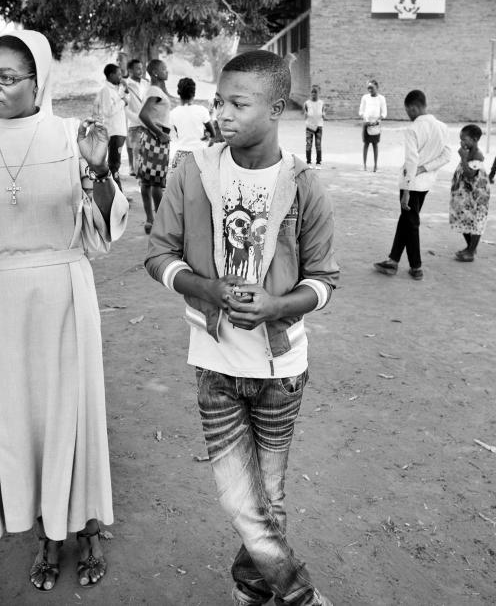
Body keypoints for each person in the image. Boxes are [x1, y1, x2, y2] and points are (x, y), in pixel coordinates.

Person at [0, 31, 128, 592]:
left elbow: (105, 231)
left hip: (63, 288)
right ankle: (46, 535)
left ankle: (84, 529)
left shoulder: (72, 136)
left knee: (73, 412)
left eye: (6, 77)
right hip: (2, 298)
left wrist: (100, 170)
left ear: (40, 82)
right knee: (22, 419)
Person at [145, 50, 339, 606]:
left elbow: (325, 279)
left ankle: (251, 591)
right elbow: (159, 255)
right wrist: (204, 288)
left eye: (238, 103)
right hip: (215, 364)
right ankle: (300, 597)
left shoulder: (304, 185)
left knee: (268, 498)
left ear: (277, 109)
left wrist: (277, 305)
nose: (222, 114)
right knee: (239, 497)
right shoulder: (192, 172)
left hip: (281, 370)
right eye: (218, 101)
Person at [373, 89, 452, 280]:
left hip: (411, 185)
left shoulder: (413, 129)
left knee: (411, 223)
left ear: (414, 107)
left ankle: (416, 266)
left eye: (408, 110)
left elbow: (411, 161)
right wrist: (426, 168)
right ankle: (392, 261)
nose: (408, 114)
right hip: (425, 184)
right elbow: (446, 155)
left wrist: (407, 190)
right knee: (406, 221)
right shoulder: (442, 127)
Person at [137, 58, 173, 233]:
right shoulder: (155, 90)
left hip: (150, 139)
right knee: (157, 182)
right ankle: (158, 221)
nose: (167, 71)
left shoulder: (155, 89)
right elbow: (143, 115)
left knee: (147, 181)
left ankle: (150, 221)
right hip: (157, 140)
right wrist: (160, 134)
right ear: (156, 73)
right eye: (164, 69)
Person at [448, 124, 490, 262]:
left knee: (476, 222)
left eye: (465, 140)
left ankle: (471, 252)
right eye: (460, 139)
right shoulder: (468, 152)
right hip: (465, 196)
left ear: (475, 139)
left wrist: (463, 158)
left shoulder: (477, 155)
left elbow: (470, 174)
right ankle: (470, 247)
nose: (462, 143)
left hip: (476, 197)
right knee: (464, 219)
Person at [93, 63, 129, 189]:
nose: (121, 77)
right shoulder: (106, 91)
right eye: (118, 74)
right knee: (114, 164)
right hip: (114, 131)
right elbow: (108, 111)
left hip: (119, 131)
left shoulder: (115, 89)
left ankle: (116, 192)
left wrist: (124, 94)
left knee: (115, 163)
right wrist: (123, 102)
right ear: (111, 75)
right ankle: (117, 194)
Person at [167, 76, 211, 172]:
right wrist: (206, 134)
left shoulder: (174, 113)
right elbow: (213, 133)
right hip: (199, 155)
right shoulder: (202, 110)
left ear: (178, 92)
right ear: (194, 93)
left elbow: (178, 133)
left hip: (181, 156)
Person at [123, 58, 148, 176]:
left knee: (145, 151)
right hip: (133, 123)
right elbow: (124, 107)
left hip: (147, 122)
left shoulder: (146, 83)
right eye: (138, 68)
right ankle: (137, 173)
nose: (141, 71)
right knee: (135, 149)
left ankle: (140, 171)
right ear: (130, 70)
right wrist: (137, 119)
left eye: (142, 68)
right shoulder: (125, 85)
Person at [358, 80, 386, 172]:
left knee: (375, 145)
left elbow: (384, 112)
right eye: (368, 88)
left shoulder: (381, 98)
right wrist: (366, 120)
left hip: (376, 124)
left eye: (372, 88)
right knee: (366, 144)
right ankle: (364, 165)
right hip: (367, 123)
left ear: (377, 88)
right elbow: (361, 111)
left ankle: (375, 166)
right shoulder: (365, 97)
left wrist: (378, 120)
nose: (370, 90)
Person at [303, 85, 325, 168]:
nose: (314, 94)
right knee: (309, 144)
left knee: (318, 145)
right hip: (310, 126)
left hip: (319, 126)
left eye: (315, 92)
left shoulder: (321, 103)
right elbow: (305, 115)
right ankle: (308, 162)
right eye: (312, 92)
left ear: (318, 93)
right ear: (310, 93)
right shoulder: (307, 103)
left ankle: (318, 163)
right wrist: (305, 115)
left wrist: (324, 115)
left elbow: (324, 114)